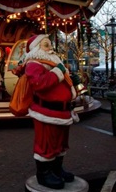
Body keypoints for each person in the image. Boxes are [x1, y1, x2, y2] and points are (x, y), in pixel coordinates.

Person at [23, 34, 78, 190]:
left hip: (62, 113)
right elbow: (39, 84)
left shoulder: (52, 62)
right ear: (37, 48)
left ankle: (56, 169)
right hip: (46, 113)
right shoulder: (34, 64)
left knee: (60, 144)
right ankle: (44, 173)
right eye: (46, 45)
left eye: (50, 45)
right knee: (46, 144)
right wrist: (58, 72)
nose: (51, 48)